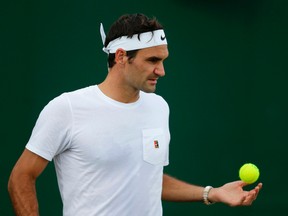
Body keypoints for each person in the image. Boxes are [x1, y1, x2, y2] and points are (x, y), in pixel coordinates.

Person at [8, 13, 262, 216]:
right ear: (121, 57)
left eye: (163, 60)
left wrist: (212, 193)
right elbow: (21, 177)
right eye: (152, 60)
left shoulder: (159, 107)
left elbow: (149, 180)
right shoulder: (66, 108)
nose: (161, 71)